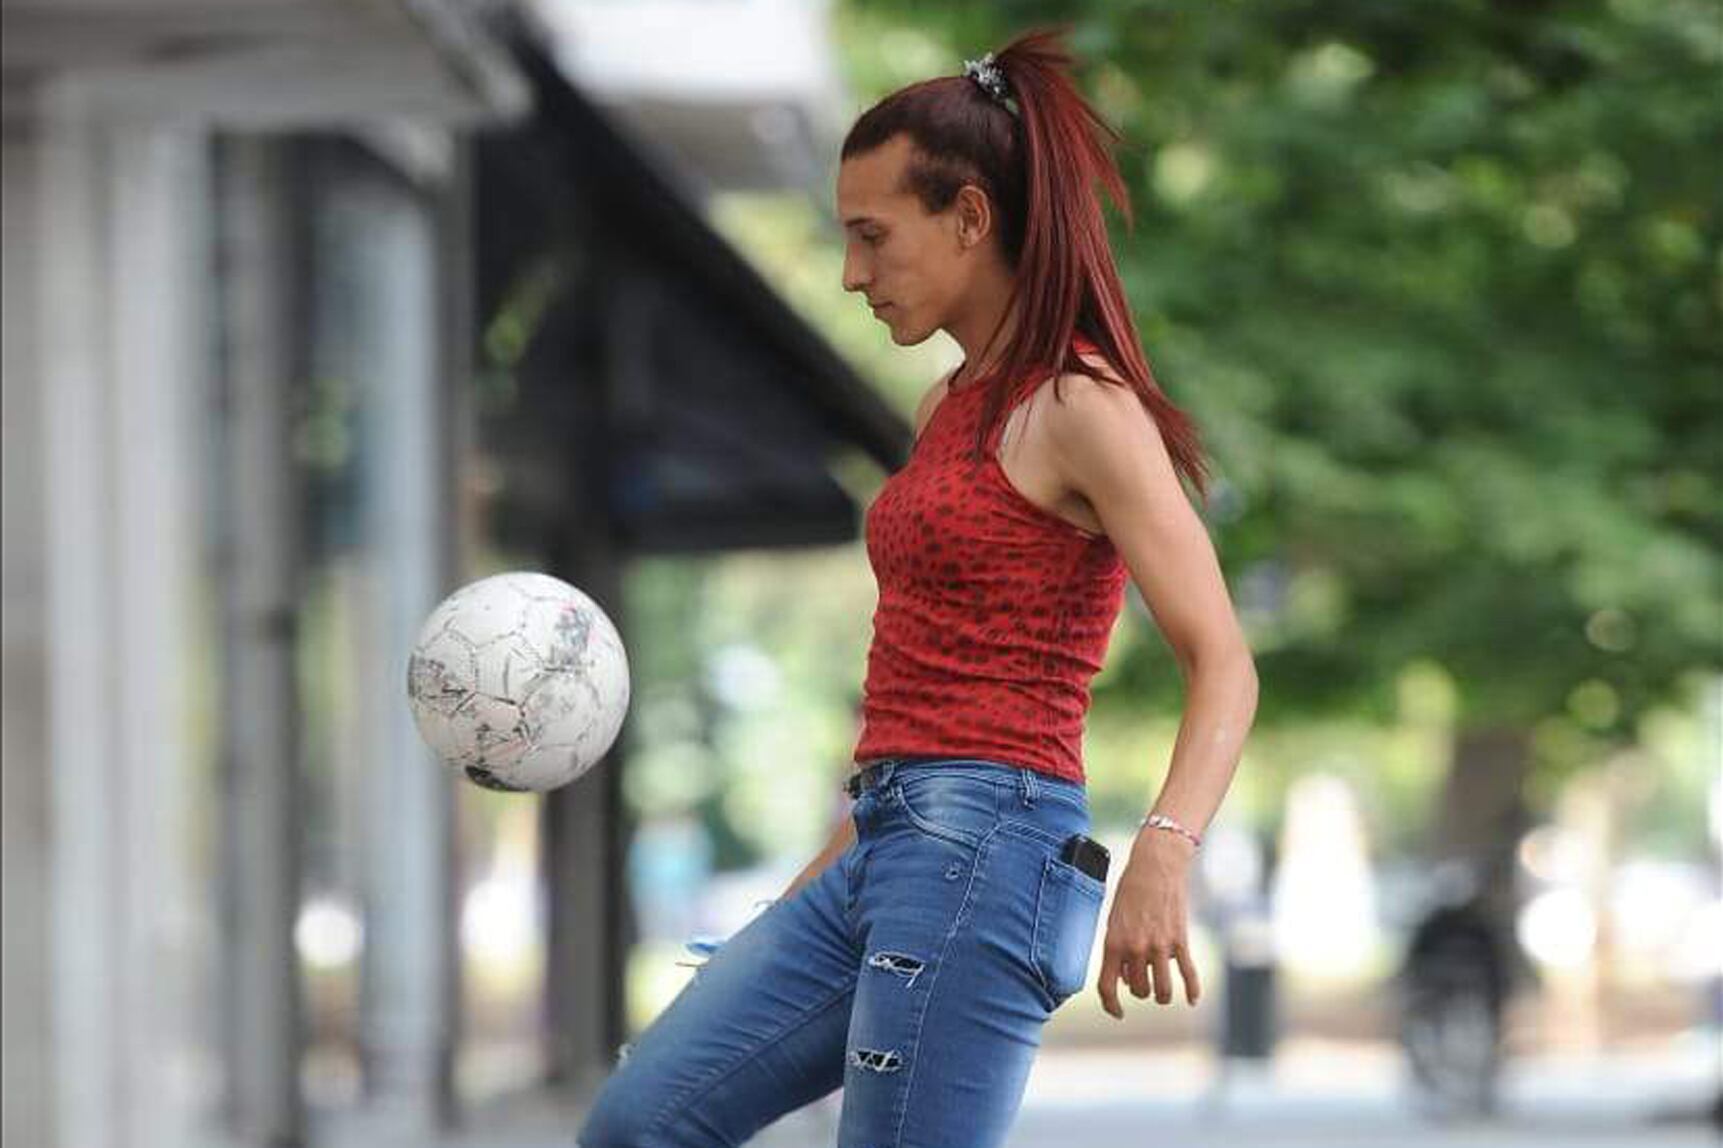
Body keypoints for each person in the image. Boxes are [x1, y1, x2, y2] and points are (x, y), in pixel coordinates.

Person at [577, 24, 1258, 1148]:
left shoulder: (1081, 407)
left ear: (970, 218)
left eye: (872, 236)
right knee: (637, 1123)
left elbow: (1221, 657)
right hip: (881, 839)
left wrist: (1164, 846)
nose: (852, 273)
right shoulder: (945, 408)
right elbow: (917, 680)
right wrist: (819, 874)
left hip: (988, 850)